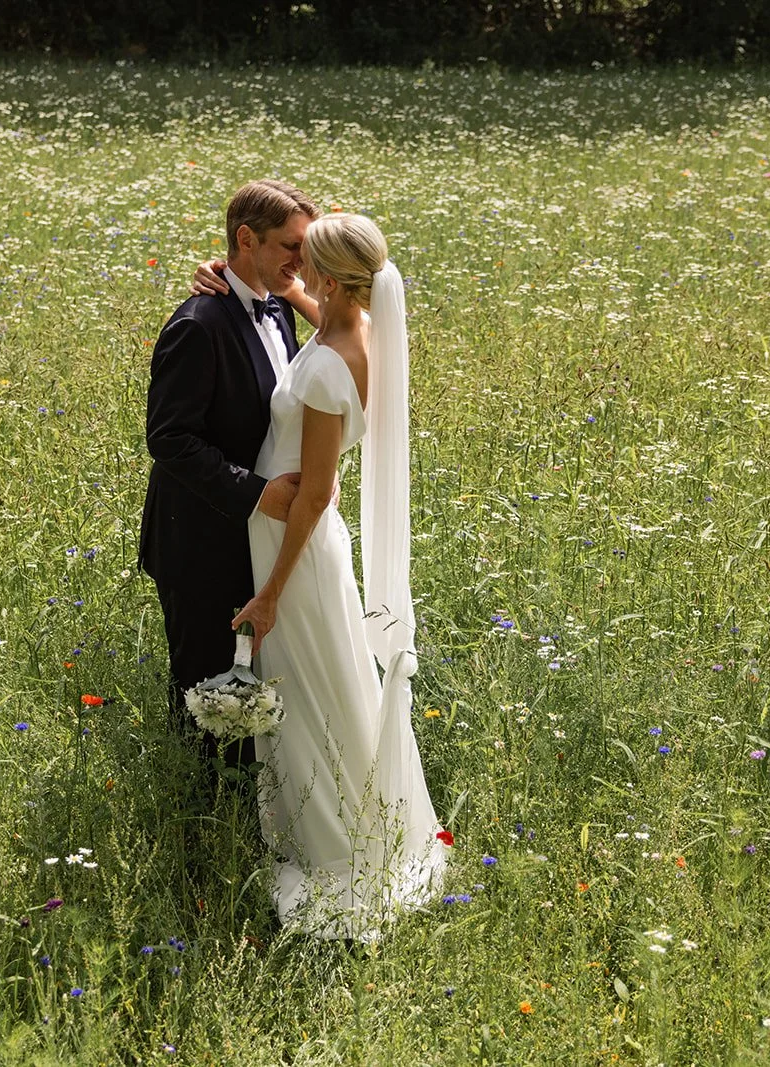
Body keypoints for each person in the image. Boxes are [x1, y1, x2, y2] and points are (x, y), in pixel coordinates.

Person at [223, 213, 448, 941]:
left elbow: (314, 493)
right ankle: (350, 821)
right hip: (305, 540)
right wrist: (289, 293)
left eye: (305, 262)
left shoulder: (323, 370)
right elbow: (327, 321)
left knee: (310, 689)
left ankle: (335, 842)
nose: (295, 267)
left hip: (295, 544)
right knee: (332, 682)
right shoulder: (357, 333)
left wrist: (270, 592)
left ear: (330, 275)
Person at [139, 180, 320, 776]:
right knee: (204, 690)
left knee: (246, 680)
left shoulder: (277, 306)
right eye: (292, 246)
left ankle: (248, 809)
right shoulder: (199, 323)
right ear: (247, 240)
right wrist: (256, 492)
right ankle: (196, 823)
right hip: (201, 537)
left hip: (254, 539)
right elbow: (169, 439)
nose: (303, 260)